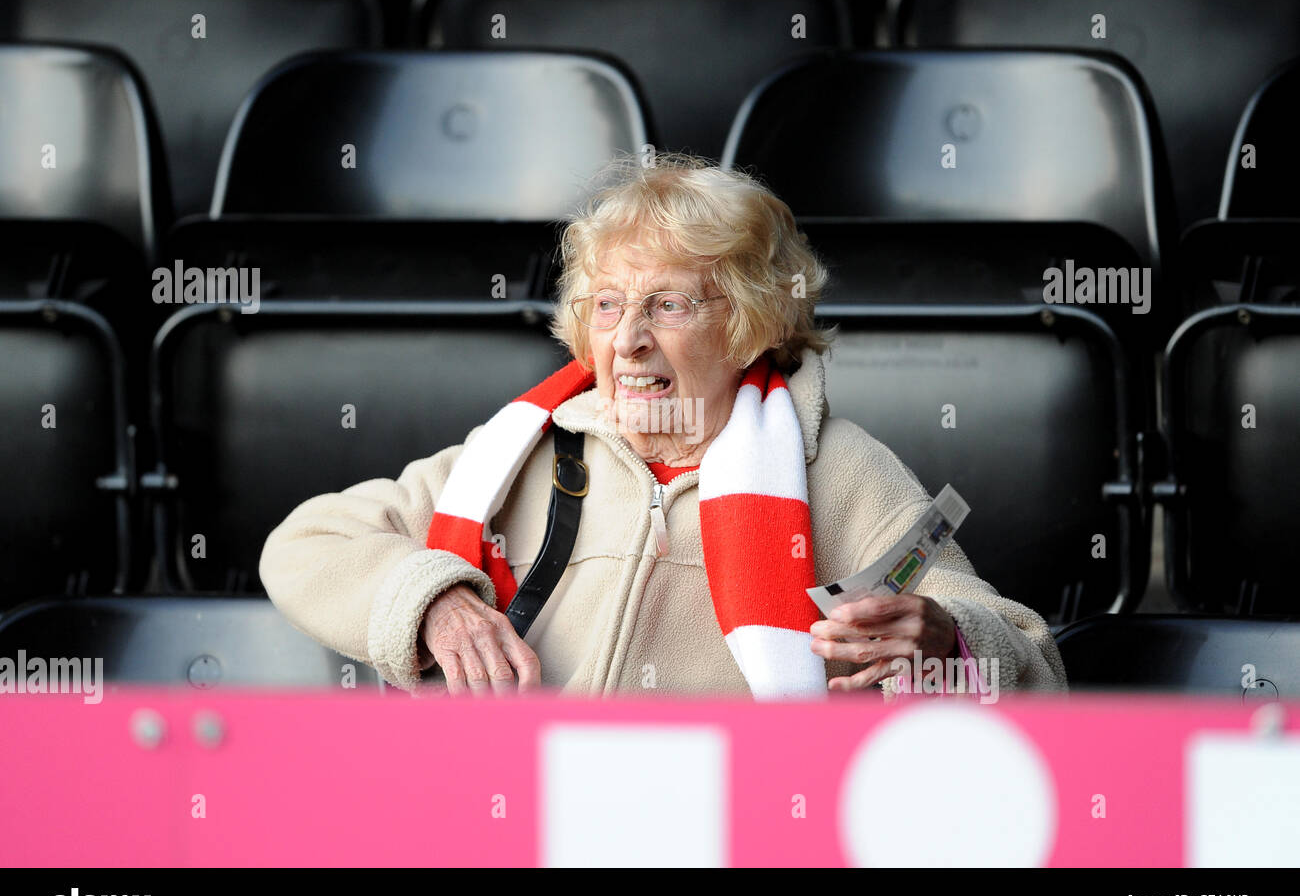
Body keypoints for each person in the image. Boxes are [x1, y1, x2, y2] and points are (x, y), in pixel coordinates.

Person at [260, 154, 1067, 699]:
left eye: (669, 305)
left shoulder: (842, 469)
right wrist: (435, 601)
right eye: (607, 305)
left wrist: (943, 646)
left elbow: (1035, 661)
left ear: (752, 323)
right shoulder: (526, 448)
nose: (628, 339)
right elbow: (304, 545)